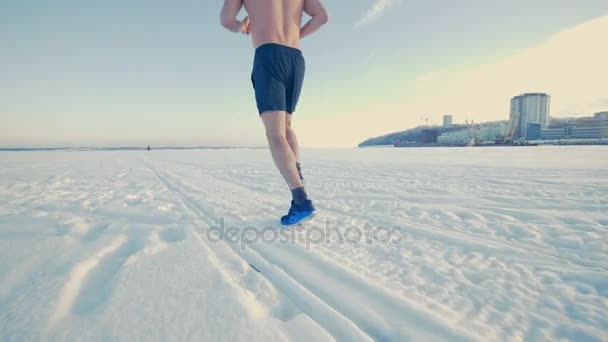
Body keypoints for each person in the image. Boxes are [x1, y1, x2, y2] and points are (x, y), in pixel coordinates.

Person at [220, 0, 328, 226]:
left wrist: (243, 26)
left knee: (275, 133)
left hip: (268, 54)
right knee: (286, 127)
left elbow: (227, 21)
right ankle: (298, 183)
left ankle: (301, 201)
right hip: (295, 58)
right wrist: (297, 34)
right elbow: (321, 17)